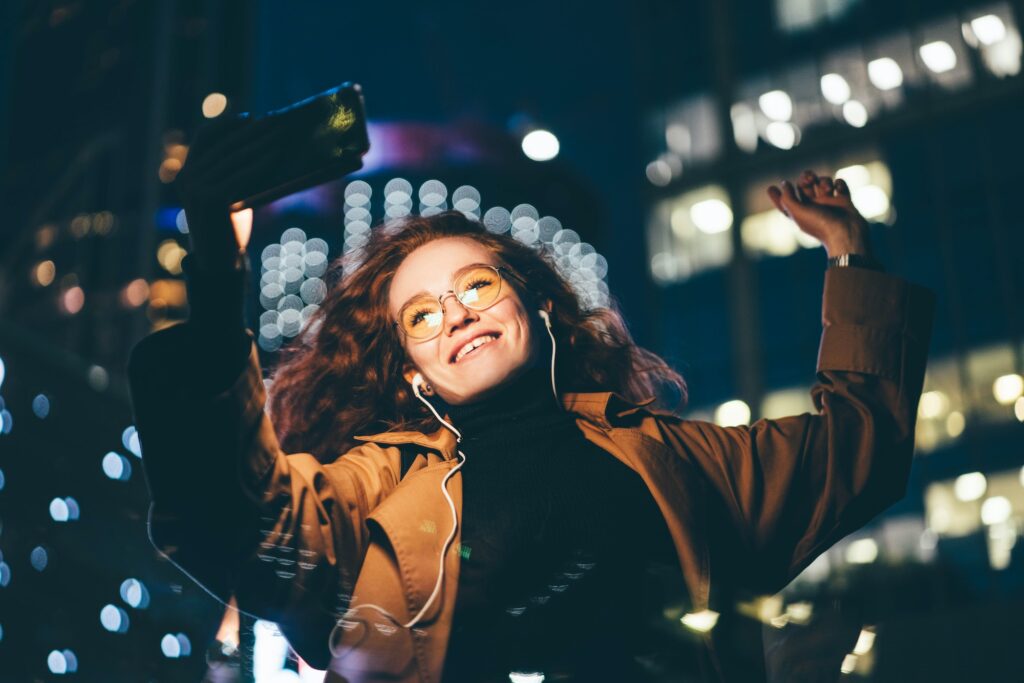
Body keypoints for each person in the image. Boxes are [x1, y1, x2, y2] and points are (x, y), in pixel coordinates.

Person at [127, 118, 935, 683]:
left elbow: (858, 449)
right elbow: (241, 519)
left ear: (539, 306)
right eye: (422, 315)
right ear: (413, 371)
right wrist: (213, 278)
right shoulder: (376, 490)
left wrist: (851, 251)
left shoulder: (672, 455)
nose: (458, 313)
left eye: (476, 284)